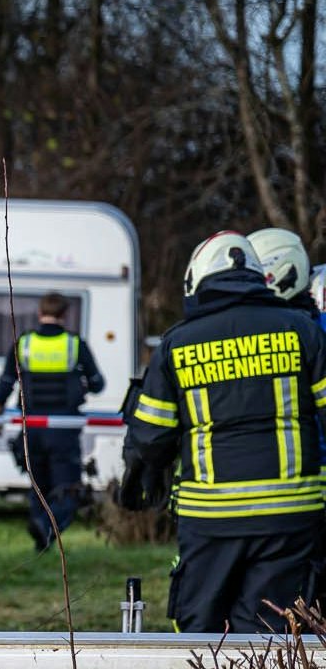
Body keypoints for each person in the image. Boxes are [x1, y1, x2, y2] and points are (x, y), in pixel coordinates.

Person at [121, 231, 326, 633]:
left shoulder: (176, 344)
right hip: (289, 517)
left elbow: (151, 436)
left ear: (196, 279)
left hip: (210, 520)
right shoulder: (302, 332)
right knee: (274, 635)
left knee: (201, 630)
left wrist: (139, 477)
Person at [0, 292, 107, 549]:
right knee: (68, 490)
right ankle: (45, 528)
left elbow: (5, 382)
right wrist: (81, 385)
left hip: (30, 428)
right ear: (65, 315)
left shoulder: (24, 343)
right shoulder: (75, 345)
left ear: (39, 313)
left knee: (38, 487)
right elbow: (98, 384)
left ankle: (41, 537)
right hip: (64, 429)